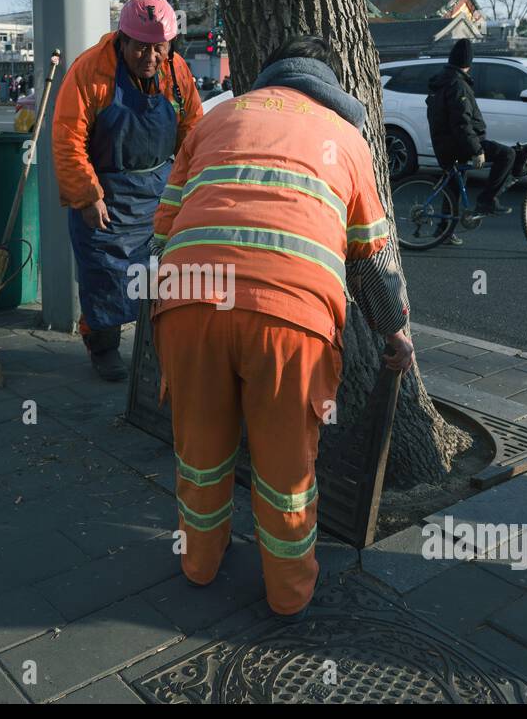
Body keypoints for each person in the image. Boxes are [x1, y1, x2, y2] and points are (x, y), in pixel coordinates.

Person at [151, 34, 414, 620]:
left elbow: (163, 228)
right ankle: (288, 595)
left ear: (269, 76)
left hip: (189, 305)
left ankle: (199, 564)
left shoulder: (217, 120)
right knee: (285, 467)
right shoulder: (347, 139)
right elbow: (369, 258)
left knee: (200, 451)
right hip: (290, 321)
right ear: (329, 84)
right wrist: (394, 329)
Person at [52, 0, 203, 381]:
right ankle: (102, 345)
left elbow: (193, 130)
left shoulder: (177, 72)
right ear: (123, 39)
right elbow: (68, 138)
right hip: (106, 193)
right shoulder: (90, 72)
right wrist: (87, 195)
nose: (150, 58)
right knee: (104, 275)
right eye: (141, 48)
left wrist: (192, 187)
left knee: (156, 274)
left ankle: (153, 346)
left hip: (159, 190)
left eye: (159, 48)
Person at [425, 38, 523, 216]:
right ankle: (487, 201)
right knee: (507, 154)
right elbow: (461, 123)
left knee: (454, 185)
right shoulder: (458, 86)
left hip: (444, 144)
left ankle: (445, 230)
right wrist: (476, 150)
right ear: (468, 63)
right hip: (457, 144)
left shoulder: (443, 81)